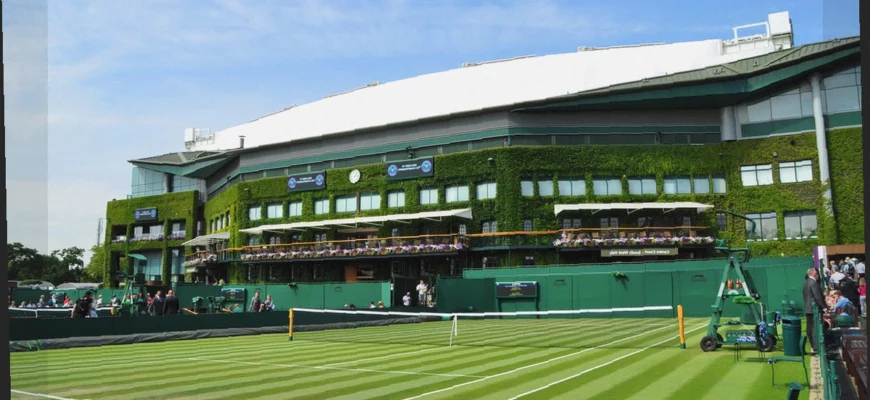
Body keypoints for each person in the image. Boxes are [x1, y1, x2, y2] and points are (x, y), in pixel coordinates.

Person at [802, 268, 827, 355]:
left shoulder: (806, 283)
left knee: (810, 328)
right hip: (814, 309)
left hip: (808, 308)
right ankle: (816, 347)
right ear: (814, 274)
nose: (818, 276)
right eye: (817, 274)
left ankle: (814, 346)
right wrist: (824, 308)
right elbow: (818, 297)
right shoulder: (813, 283)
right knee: (815, 328)